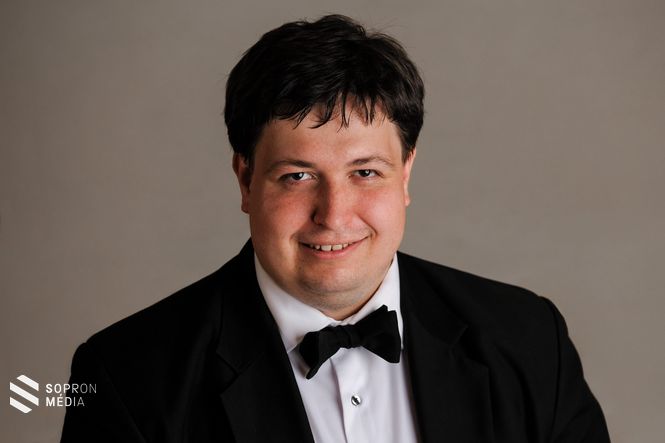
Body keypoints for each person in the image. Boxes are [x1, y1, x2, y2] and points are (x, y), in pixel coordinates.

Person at [61, 14, 610, 443]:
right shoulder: (125, 378)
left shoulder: (530, 339)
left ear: (405, 176)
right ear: (246, 180)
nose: (335, 213)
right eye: (297, 176)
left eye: (365, 172)